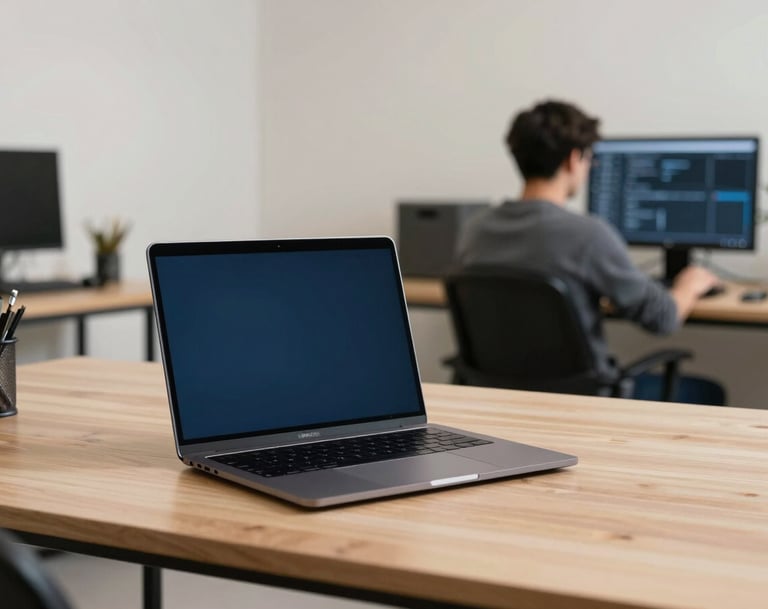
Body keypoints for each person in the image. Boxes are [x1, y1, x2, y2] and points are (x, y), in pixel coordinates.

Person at [456, 99, 720, 379]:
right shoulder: (588, 236)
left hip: (497, 398)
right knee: (708, 389)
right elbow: (662, 318)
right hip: (581, 402)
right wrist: (688, 286)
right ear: (574, 159)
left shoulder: (475, 230)